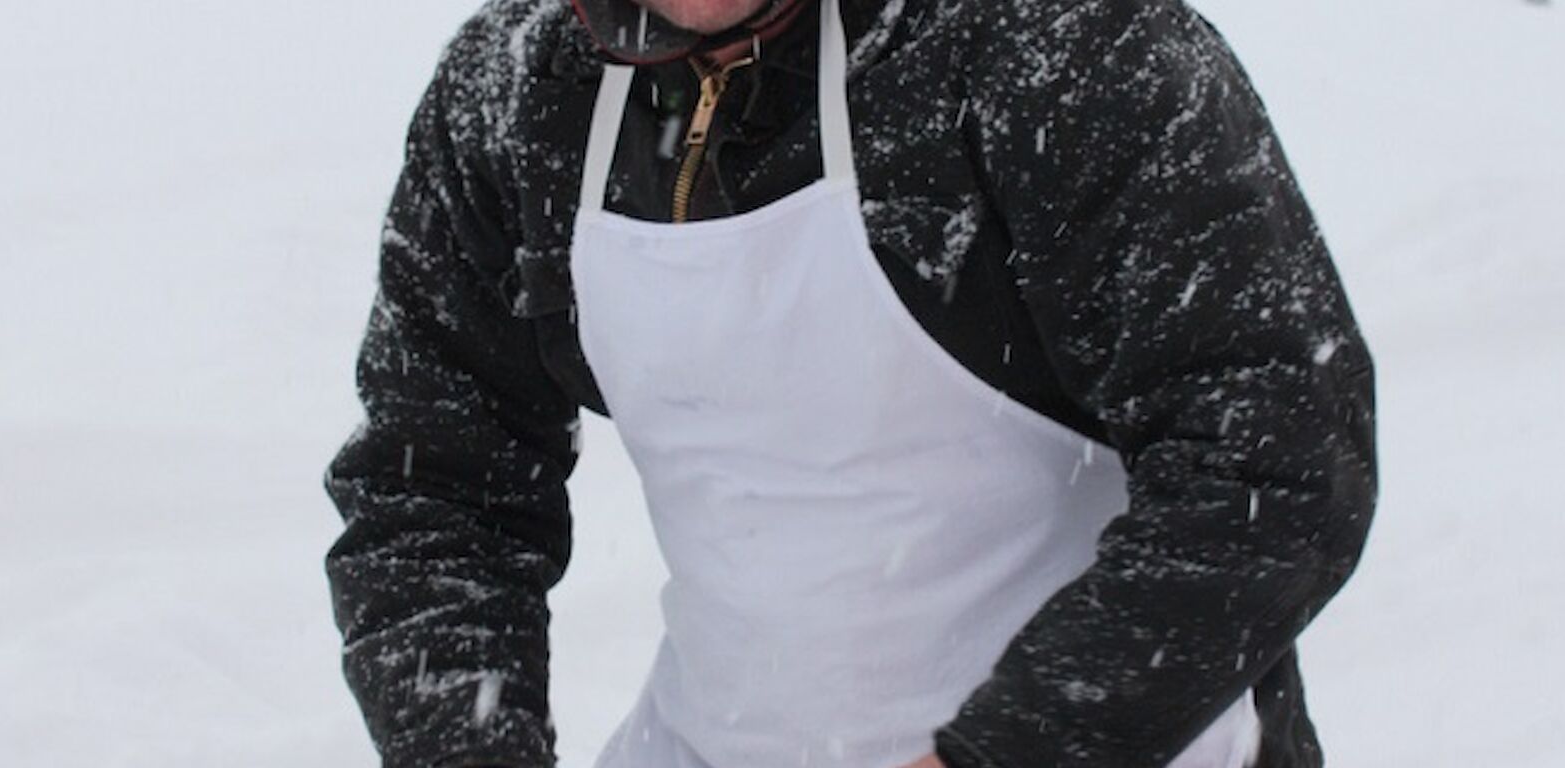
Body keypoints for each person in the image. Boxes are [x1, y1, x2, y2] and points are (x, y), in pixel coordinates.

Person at [321, 0, 1378, 766]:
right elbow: (435, 495)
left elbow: (1273, 468)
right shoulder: (513, 96)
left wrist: (1008, 755)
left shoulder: (1061, 47)